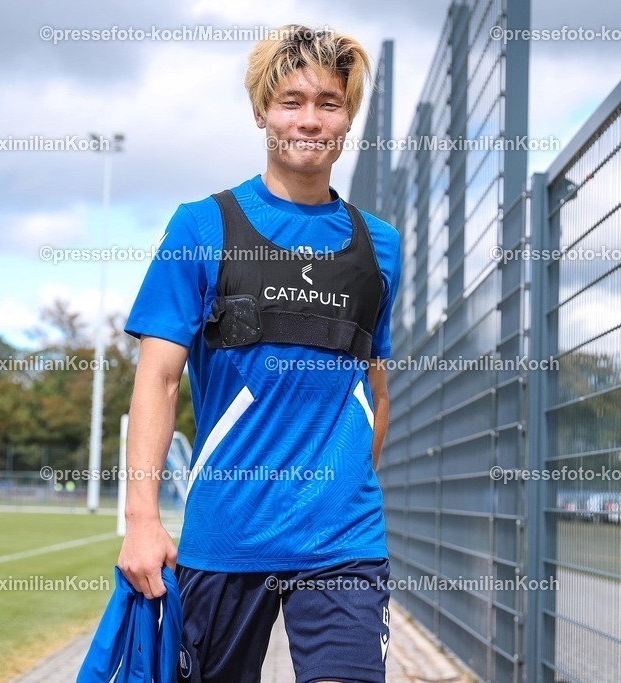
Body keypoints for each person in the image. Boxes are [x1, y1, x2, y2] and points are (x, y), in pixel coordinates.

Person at [119, 24, 401, 683]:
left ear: (347, 116)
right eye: (291, 101)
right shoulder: (202, 226)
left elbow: (375, 383)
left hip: (343, 542)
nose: (309, 119)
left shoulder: (380, 244)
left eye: (328, 103)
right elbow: (157, 380)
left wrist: (346, 484)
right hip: (225, 535)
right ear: (260, 112)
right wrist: (141, 520)